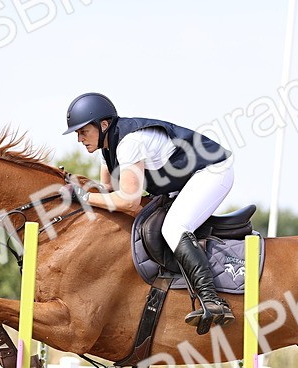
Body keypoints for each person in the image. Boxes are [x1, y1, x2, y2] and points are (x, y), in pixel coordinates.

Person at [64, 92, 235, 334]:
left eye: (83, 131)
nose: (79, 139)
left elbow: (128, 202)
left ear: (103, 125)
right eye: (77, 133)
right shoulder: (107, 147)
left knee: (174, 227)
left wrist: (81, 197)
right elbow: (107, 190)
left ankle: (212, 300)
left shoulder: (129, 143)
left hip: (213, 171)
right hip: (182, 181)